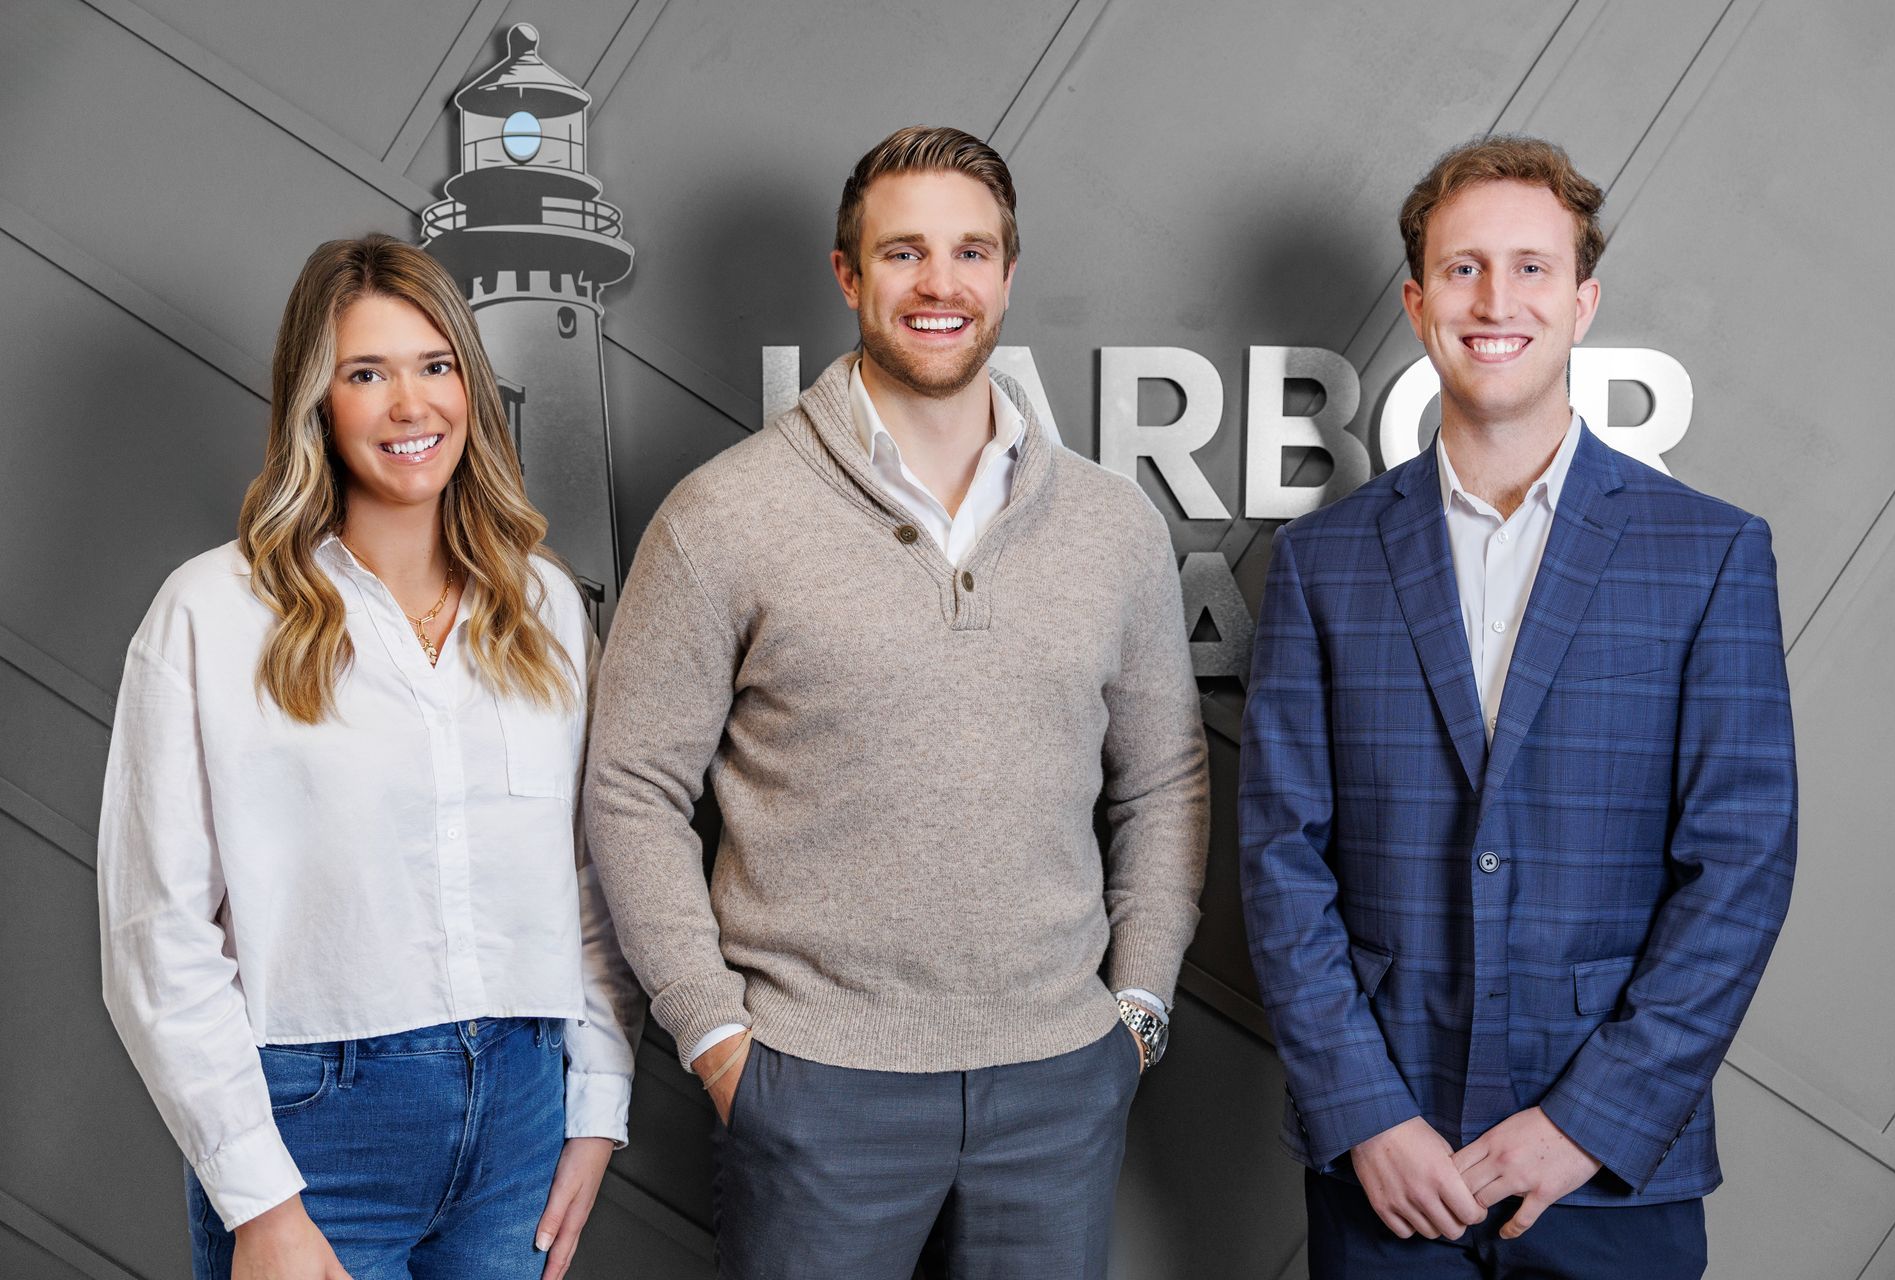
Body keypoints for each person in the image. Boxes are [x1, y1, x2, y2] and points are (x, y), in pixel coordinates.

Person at [585, 125, 1208, 1278]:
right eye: (904, 252)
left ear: (1008, 276)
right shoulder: (725, 514)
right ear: (848, 273)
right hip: (813, 1088)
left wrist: (1140, 1012)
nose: (940, 284)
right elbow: (629, 785)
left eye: (971, 252)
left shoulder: (1114, 525)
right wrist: (715, 1034)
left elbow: (1166, 778)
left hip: (1061, 1082)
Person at [1238, 135, 1797, 1279]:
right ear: (1415, 299)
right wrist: (1364, 1111)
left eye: (1533, 268)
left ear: (1584, 301)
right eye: (1464, 269)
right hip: (1387, 1167)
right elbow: (1278, 854)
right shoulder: (1321, 562)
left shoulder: (1711, 551)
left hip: (1613, 1166)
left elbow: (1743, 863)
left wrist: (1593, 1117)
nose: (1498, 300)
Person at [98, 234, 640, 1280]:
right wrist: (259, 1197)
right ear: (317, 400)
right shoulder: (211, 614)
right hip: (314, 1131)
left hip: (523, 1115)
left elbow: (585, 879)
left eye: (436, 366)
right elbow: (154, 933)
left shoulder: (543, 606)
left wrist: (597, 1105)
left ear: (473, 389)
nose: (411, 404)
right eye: (366, 373)